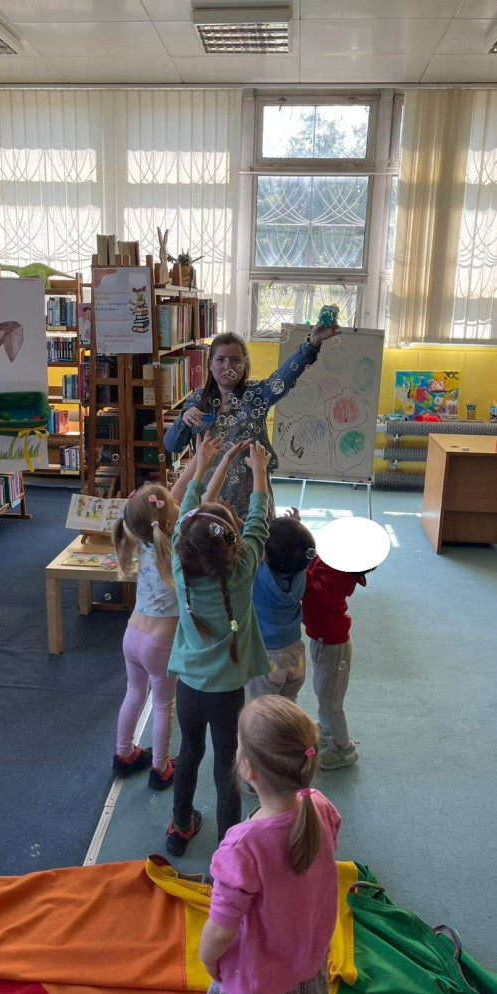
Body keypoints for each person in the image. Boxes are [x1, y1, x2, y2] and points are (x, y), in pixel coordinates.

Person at [165, 437, 272, 857]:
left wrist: (205, 463)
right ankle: (228, 847)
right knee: (227, 767)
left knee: (188, 753)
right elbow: (259, 521)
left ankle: (179, 827)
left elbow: (187, 512)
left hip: (189, 689)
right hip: (227, 693)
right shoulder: (243, 571)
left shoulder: (179, 566)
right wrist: (258, 471)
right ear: (233, 542)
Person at [200, 695, 340, 994]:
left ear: (247, 769)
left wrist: (207, 957)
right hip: (310, 963)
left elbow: (221, 929)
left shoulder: (242, 846)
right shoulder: (320, 804)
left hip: (259, 983)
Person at [163, 323, 340, 522]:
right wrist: (183, 421)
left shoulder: (257, 394)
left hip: (251, 500)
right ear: (210, 364)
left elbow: (284, 376)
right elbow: (171, 446)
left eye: (235, 360)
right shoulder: (198, 400)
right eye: (221, 359)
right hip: (208, 501)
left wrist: (311, 343)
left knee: (255, 541)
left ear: (244, 364)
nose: (228, 366)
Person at [111, 454, 207, 791]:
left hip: (133, 635)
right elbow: (190, 498)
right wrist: (202, 469)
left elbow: (170, 497)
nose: (178, 501)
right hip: (160, 643)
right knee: (164, 704)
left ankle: (124, 754)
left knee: (134, 693)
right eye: (174, 504)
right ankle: (161, 767)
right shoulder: (178, 543)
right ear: (167, 521)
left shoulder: (144, 537)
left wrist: (198, 460)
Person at [302, 555, 369, 771]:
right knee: (322, 692)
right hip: (321, 638)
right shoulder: (329, 560)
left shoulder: (341, 572)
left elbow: (320, 595)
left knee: (332, 702)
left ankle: (343, 748)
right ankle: (326, 731)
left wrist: (303, 572)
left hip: (333, 645)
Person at [249, 509, 316, 704]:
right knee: (288, 705)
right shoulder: (301, 572)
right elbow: (297, 552)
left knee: (265, 712)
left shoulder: (257, 574)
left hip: (267, 657)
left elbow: (248, 547)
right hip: (295, 652)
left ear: (265, 555)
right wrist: (295, 528)